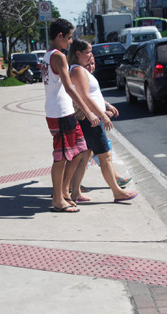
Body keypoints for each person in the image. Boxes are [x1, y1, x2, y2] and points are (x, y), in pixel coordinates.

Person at [68, 38, 138, 203]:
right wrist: (103, 115)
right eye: (88, 52)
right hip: (90, 119)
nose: (91, 55)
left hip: (90, 118)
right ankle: (117, 191)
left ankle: (75, 192)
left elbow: (93, 95)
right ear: (78, 53)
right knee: (105, 156)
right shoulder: (78, 70)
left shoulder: (79, 70)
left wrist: (105, 106)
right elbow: (85, 97)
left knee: (86, 155)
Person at [42, 19, 100, 213]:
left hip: (63, 112)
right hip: (60, 113)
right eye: (68, 37)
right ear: (59, 36)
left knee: (79, 150)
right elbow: (69, 89)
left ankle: (64, 191)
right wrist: (89, 112)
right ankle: (58, 199)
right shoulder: (58, 56)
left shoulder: (49, 54)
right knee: (61, 158)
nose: (70, 41)